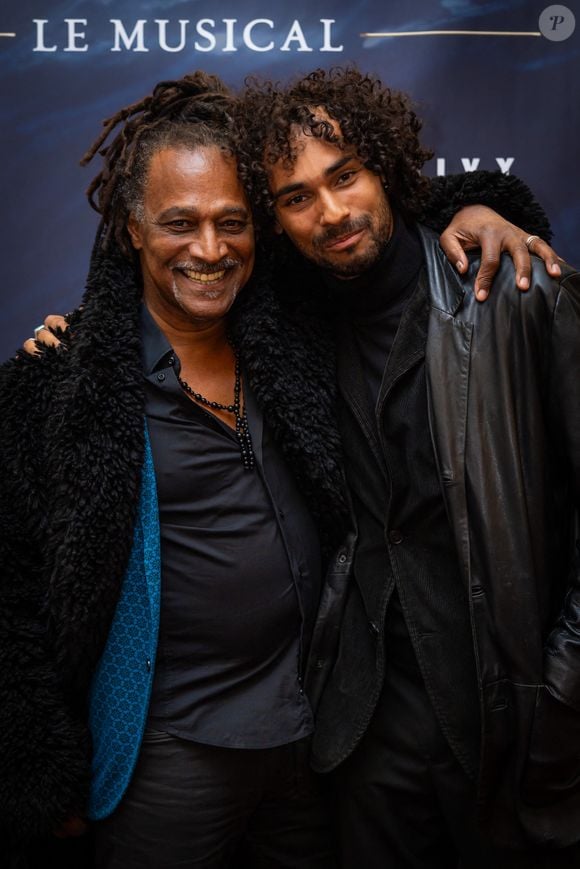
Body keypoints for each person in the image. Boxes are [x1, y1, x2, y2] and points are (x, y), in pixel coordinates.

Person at [8, 69, 563, 869]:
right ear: (131, 230)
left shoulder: (287, 333)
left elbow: (371, 229)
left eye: (232, 222)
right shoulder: (65, 384)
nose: (208, 247)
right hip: (172, 756)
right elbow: (14, 593)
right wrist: (37, 771)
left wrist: (486, 209)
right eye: (178, 222)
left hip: (316, 738)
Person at [233, 68, 580, 867]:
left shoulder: (515, 292)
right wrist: (73, 337)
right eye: (296, 197)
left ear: (386, 167)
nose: (331, 212)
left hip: (514, 725)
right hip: (365, 734)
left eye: (344, 175)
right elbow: (169, 274)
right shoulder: (287, 331)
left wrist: (562, 699)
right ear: (275, 220)